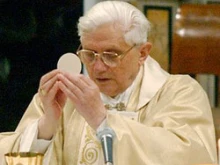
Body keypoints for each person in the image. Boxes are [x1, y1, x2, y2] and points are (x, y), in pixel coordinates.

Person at [0, 1, 217, 164]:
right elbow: (11, 155)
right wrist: (47, 126)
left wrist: (103, 120)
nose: (97, 67)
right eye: (89, 54)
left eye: (111, 55)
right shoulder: (63, 98)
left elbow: (190, 156)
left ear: (142, 53)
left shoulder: (180, 93)